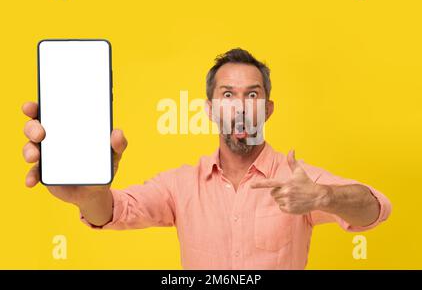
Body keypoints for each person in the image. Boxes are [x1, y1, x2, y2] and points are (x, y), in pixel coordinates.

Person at [22, 48, 391, 269]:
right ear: (211, 110)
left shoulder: (298, 182)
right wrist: (89, 195)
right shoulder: (181, 185)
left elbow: (376, 208)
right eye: (228, 95)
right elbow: (116, 212)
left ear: (268, 109)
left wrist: (324, 197)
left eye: (252, 95)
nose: (241, 107)